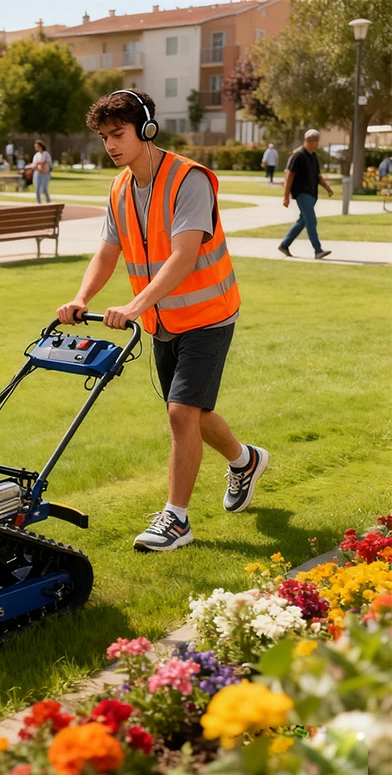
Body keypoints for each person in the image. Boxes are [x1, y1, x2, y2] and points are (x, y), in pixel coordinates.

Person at [57, 88, 268, 553]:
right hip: (162, 320)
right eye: (104, 137)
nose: (111, 145)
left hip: (208, 315)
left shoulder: (188, 180)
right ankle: (245, 460)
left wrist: (132, 306)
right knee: (193, 412)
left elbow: (184, 256)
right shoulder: (119, 188)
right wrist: (81, 297)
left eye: (119, 134)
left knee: (179, 413)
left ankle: (176, 520)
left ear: (146, 129)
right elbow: (107, 252)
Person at [278, 129, 334, 260]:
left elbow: (318, 176)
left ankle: (284, 244)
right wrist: (286, 197)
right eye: (313, 140)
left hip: (312, 194)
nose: (315, 143)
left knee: (303, 221)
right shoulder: (298, 156)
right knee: (311, 220)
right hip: (302, 194)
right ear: (308, 141)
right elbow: (289, 177)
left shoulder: (313, 156)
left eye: (315, 140)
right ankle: (318, 250)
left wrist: (327, 188)